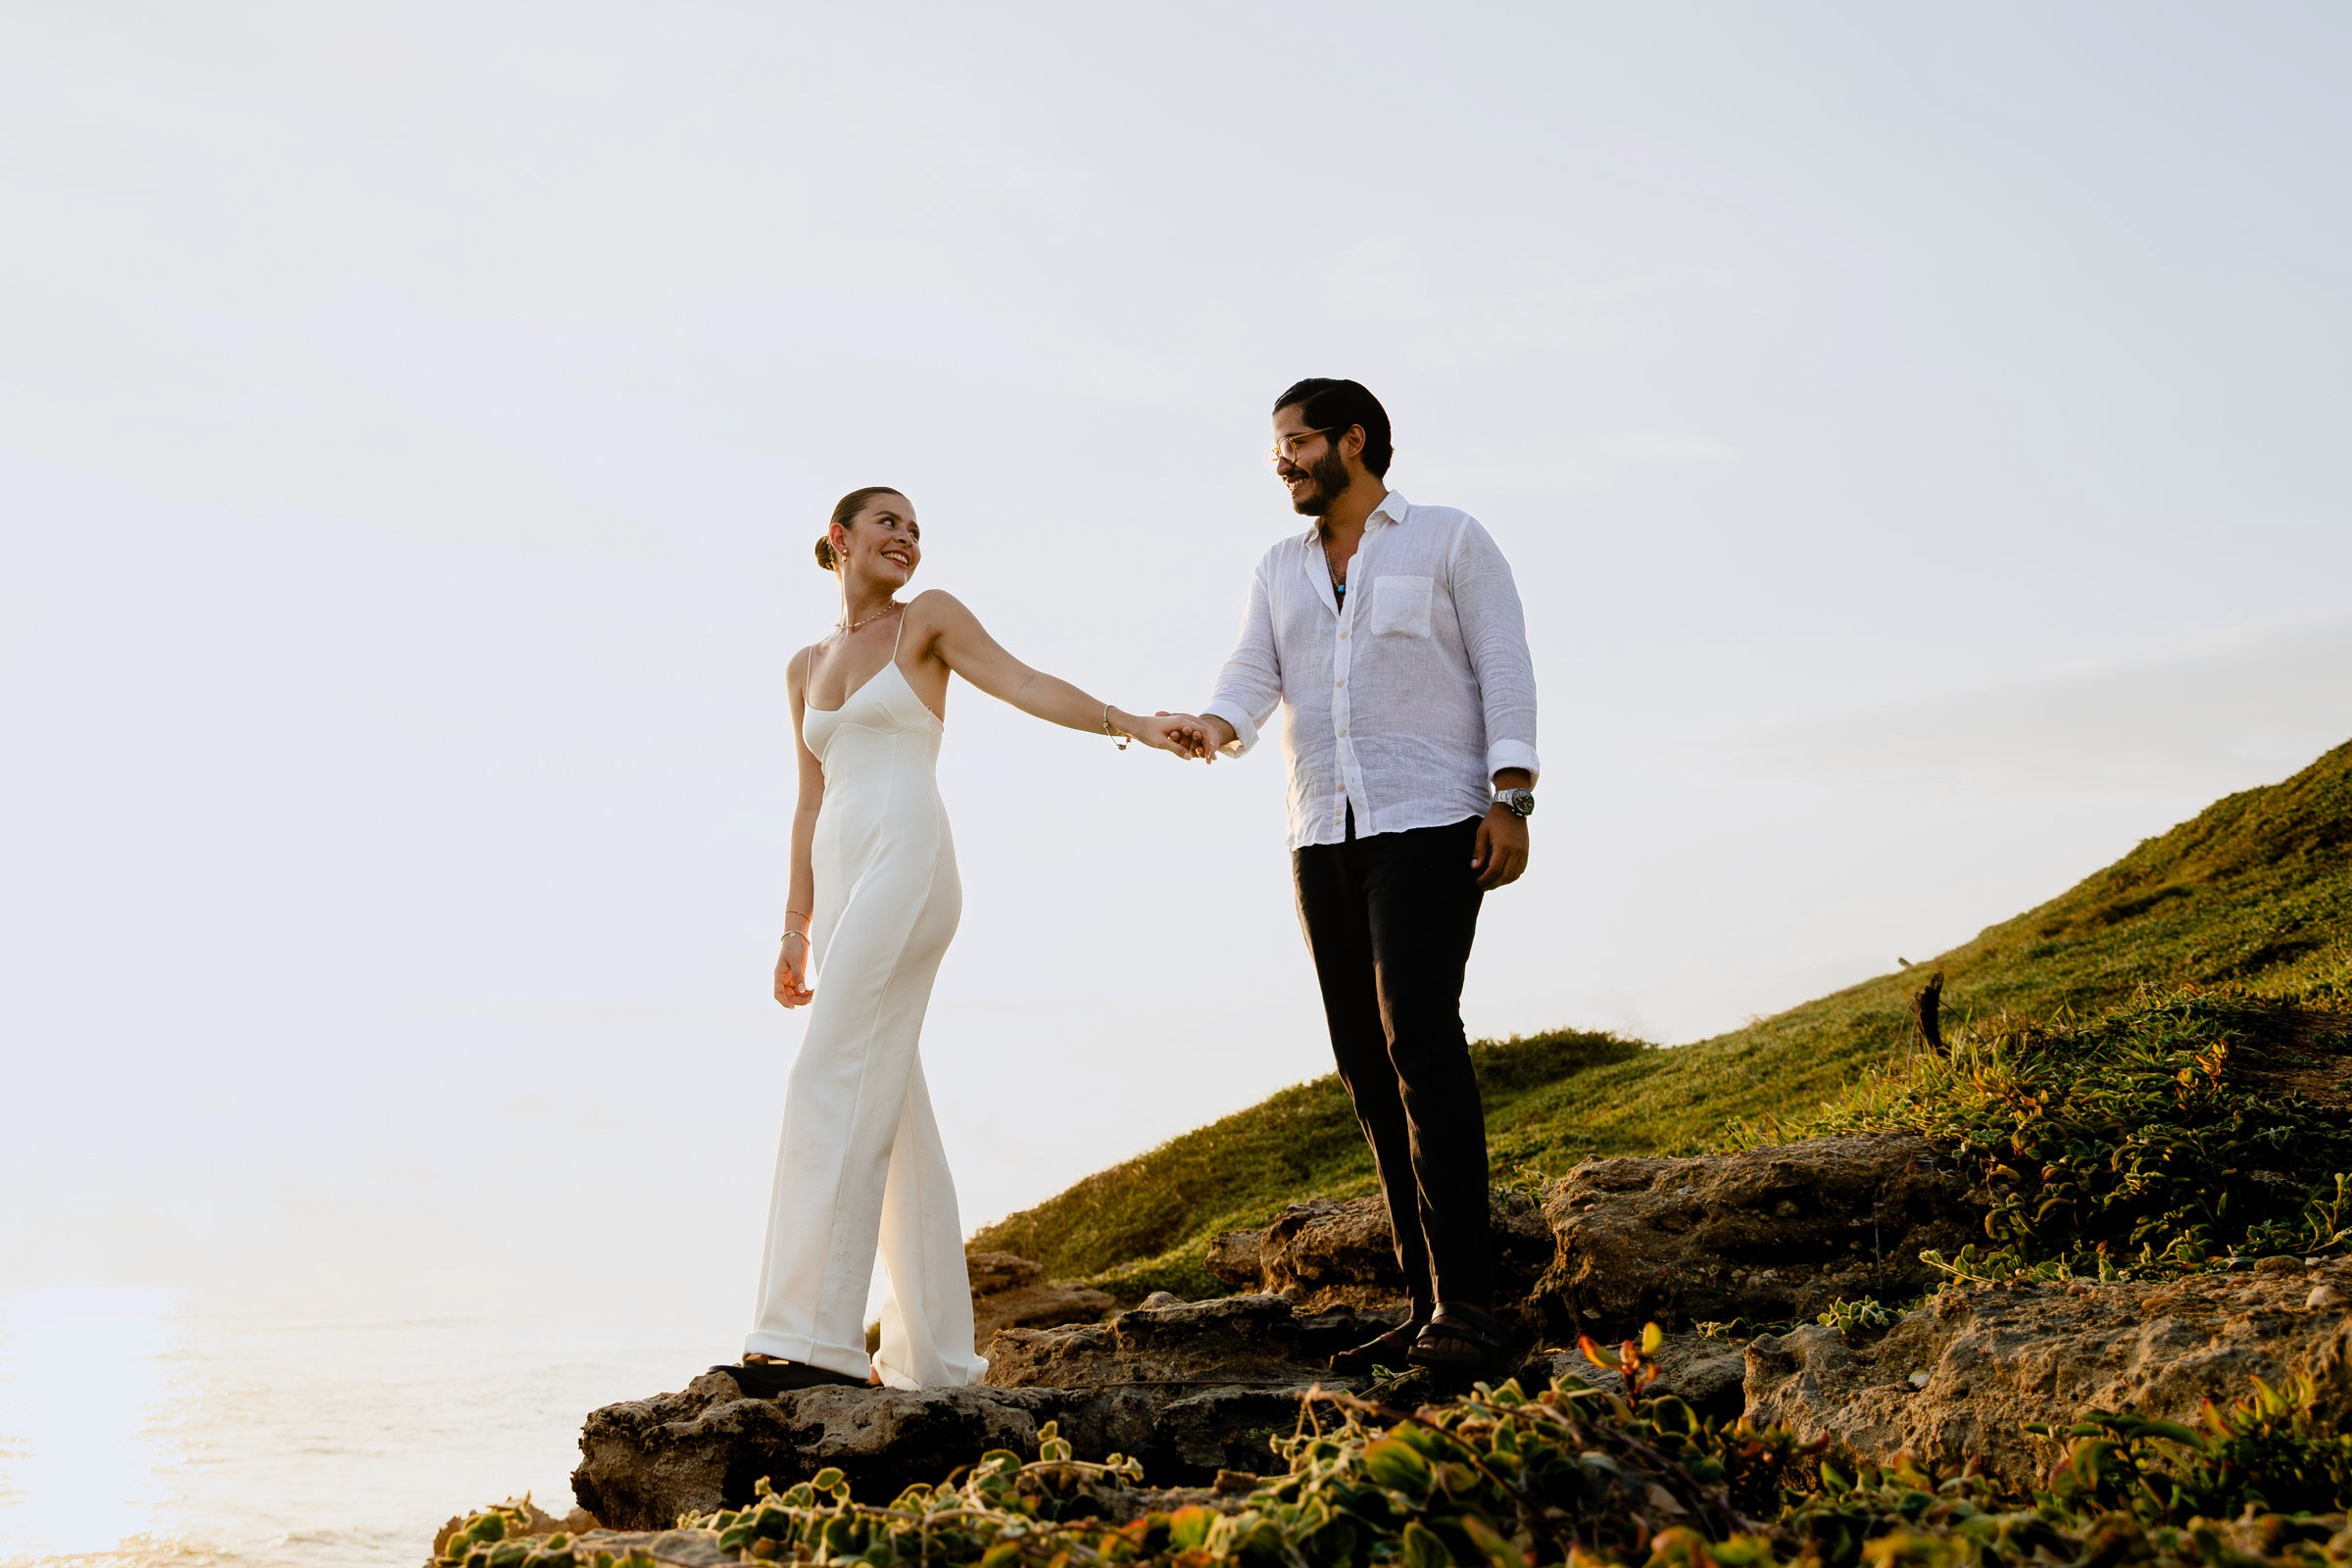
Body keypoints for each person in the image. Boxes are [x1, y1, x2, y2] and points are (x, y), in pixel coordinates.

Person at [723, 486, 1200, 1395]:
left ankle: (808, 1340)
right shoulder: (803, 664)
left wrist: (1132, 724)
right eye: (887, 524)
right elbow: (809, 800)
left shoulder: (928, 622)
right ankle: (932, 1359)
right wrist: (794, 926)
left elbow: (1023, 683)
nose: (906, 538)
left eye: (915, 530)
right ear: (839, 540)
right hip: (842, 876)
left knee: (828, 1072)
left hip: (908, 862)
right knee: (891, 1105)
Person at [1166, 379, 1539, 1378]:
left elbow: (1503, 661)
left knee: (1419, 1033)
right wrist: (1216, 724)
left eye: (1295, 444)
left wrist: (1513, 793)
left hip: (1430, 818)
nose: (1282, 463)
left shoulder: (1450, 539)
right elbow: (1254, 672)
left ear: (1352, 441)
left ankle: (1472, 1302)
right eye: (1275, 450)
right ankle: (1426, 1307)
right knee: (1366, 1066)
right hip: (1319, 831)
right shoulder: (1279, 568)